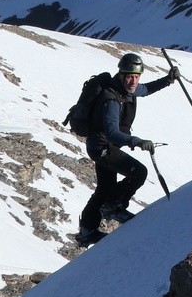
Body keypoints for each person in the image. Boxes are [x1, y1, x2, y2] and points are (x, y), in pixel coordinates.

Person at [76, 52, 178, 245]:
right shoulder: (111, 99)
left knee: (105, 187)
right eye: (130, 76)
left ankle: (87, 230)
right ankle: (114, 207)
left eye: (137, 77)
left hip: (102, 146)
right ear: (121, 75)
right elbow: (113, 132)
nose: (134, 81)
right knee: (139, 172)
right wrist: (138, 141)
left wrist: (168, 80)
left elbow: (146, 90)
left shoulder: (126, 90)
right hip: (103, 147)